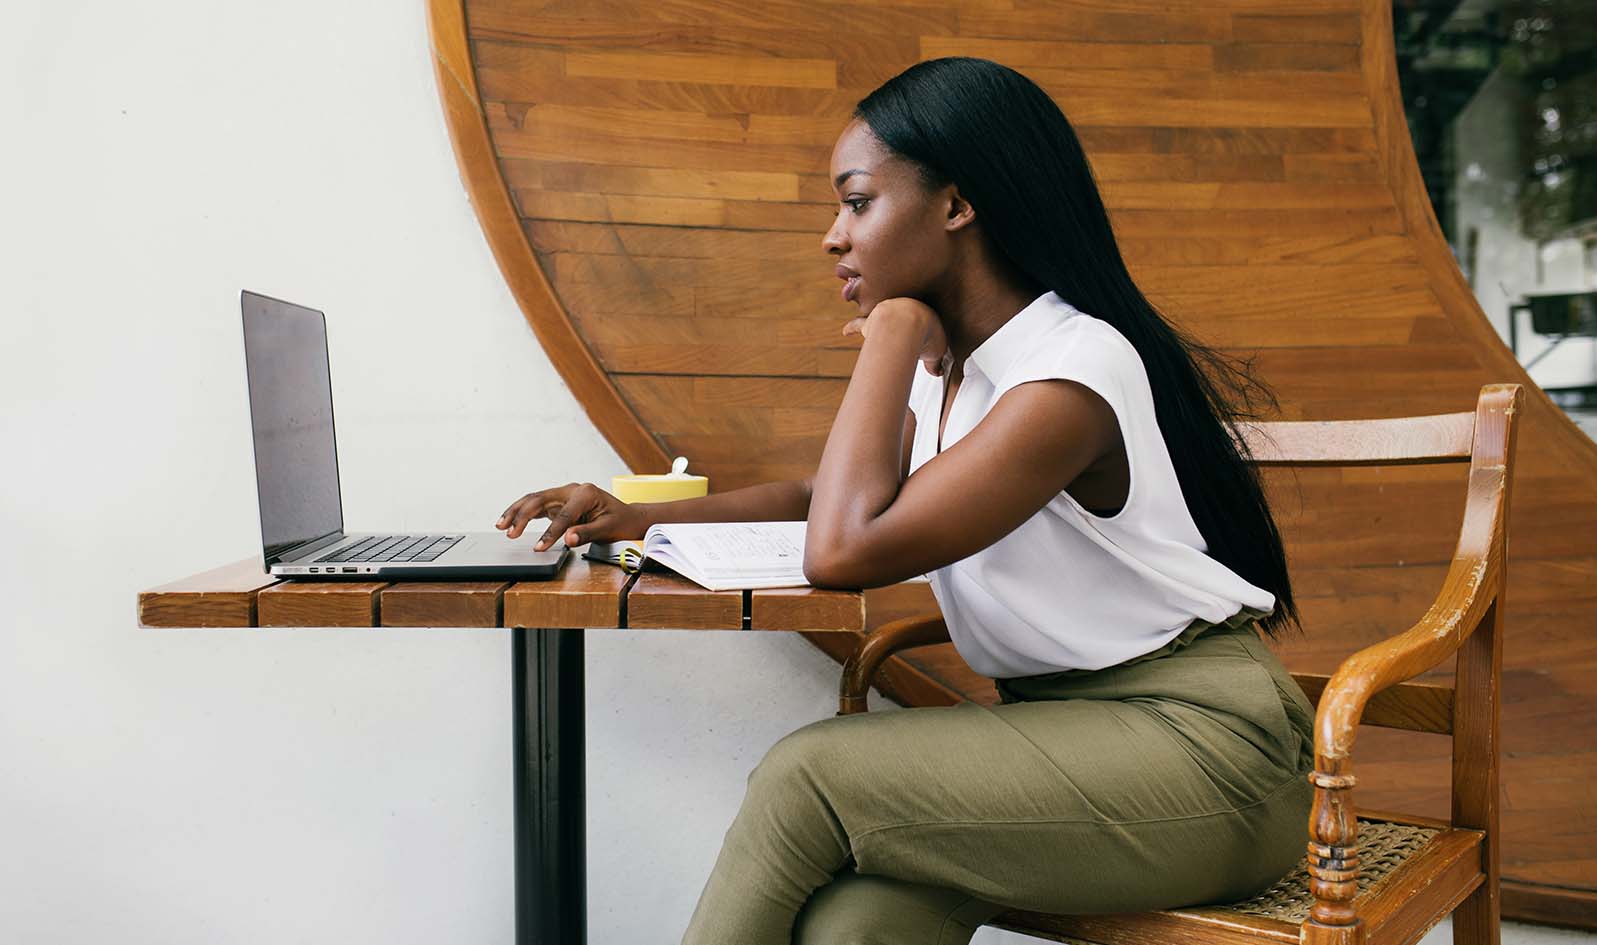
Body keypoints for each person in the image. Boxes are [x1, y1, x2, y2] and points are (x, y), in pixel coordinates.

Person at [495, 57, 1314, 945]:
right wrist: (636, 518)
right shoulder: (958, 368)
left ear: (956, 206)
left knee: (809, 775)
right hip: (1069, 734)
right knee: (857, 924)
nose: (832, 237)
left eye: (857, 202)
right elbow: (825, 497)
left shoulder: (1071, 370)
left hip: (1208, 756)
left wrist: (889, 333)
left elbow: (843, 548)